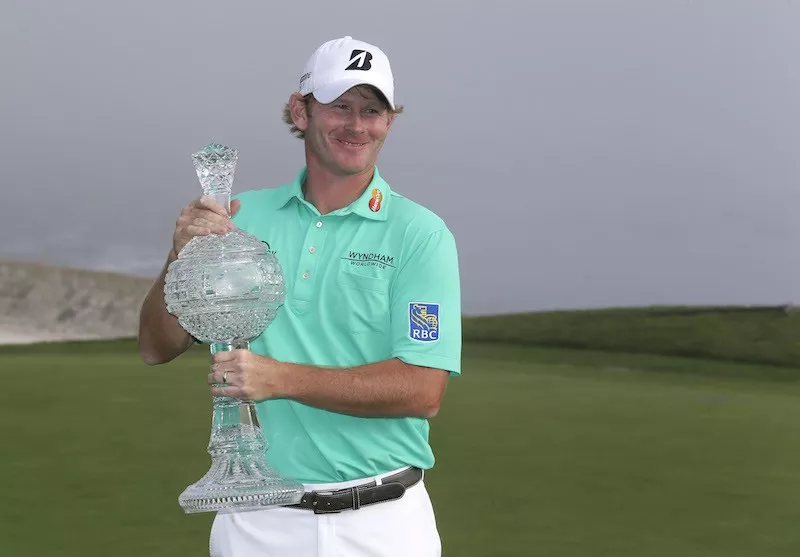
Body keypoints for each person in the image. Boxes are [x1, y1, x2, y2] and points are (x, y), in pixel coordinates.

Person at [137, 35, 462, 557]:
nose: (356, 125)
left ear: (389, 122)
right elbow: (157, 346)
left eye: (372, 110)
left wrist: (278, 378)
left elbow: (423, 390)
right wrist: (180, 255)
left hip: (384, 524)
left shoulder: (419, 234)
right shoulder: (240, 218)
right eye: (340, 107)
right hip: (256, 523)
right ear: (300, 110)